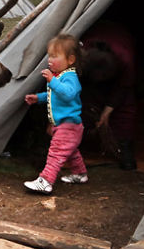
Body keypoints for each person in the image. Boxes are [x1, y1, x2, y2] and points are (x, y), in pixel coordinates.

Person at [23, 33, 88, 195]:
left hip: (69, 125)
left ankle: (46, 181)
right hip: (65, 125)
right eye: (49, 56)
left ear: (70, 60)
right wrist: (38, 98)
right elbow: (54, 95)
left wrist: (52, 80)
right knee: (70, 151)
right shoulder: (60, 76)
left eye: (55, 56)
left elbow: (68, 94)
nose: (50, 60)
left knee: (56, 152)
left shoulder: (70, 77)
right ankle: (80, 174)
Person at [80, 21, 137, 170]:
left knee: (125, 108)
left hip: (119, 49)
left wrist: (107, 111)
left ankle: (123, 146)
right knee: (86, 102)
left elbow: (123, 87)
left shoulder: (125, 59)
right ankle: (79, 140)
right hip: (89, 76)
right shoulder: (80, 53)